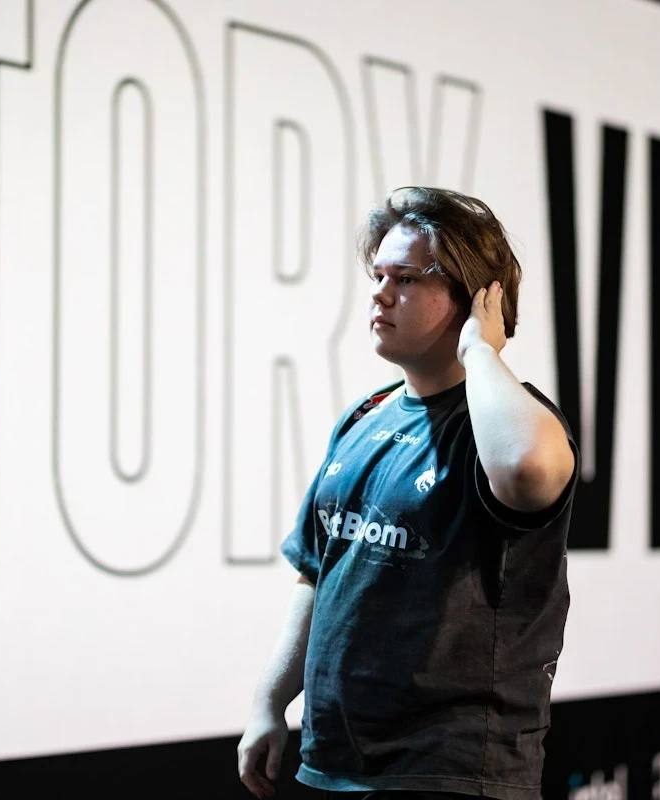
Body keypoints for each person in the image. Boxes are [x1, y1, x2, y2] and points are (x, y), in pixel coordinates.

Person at [236, 187, 580, 800]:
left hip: (450, 773)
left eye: (406, 278)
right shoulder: (363, 416)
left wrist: (480, 349)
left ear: (475, 297)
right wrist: (270, 701)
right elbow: (317, 571)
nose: (379, 292)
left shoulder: (508, 425)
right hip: (333, 763)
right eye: (378, 275)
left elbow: (527, 471)